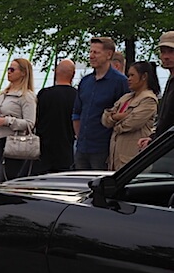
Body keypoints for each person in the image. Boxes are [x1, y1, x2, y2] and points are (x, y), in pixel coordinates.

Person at [72, 37, 128, 170]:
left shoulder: (120, 82)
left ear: (109, 54)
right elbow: (77, 112)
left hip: (104, 147)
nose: (91, 56)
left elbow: (125, 113)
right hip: (82, 147)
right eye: (90, 52)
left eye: (96, 53)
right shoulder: (85, 82)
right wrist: (79, 136)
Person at [101, 61, 159, 169]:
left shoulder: (148, 99)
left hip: (132, 162)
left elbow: (131, 124)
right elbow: (105, 118)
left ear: (144, 77)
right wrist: (118, 117)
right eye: (128, 75)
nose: (129, 79)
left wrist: (114, 122)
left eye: (132, 75)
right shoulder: (126, 97)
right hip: (115, 161)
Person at [0, 57, 38, 180]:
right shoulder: (4, 94)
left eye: (12, 69)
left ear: (23, 73)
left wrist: (8, 121)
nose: (9, 72)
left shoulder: (26, 96)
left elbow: (30, 123)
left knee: (4, 180)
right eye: (8, 69)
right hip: (0, 141)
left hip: (15, 143)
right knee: (2, 179)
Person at [35, 59, 76, 173]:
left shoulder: (44, 94)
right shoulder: (77, 96)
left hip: (44, 151)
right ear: (73, 75)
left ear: (56, 72)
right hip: (67, 151)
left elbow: (36, 119)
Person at [138, 30, 174, 151]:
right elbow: (165, 120)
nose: (166, 56)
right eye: (163, 52)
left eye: (171, 51)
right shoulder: (170, 80)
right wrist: (153, 138)